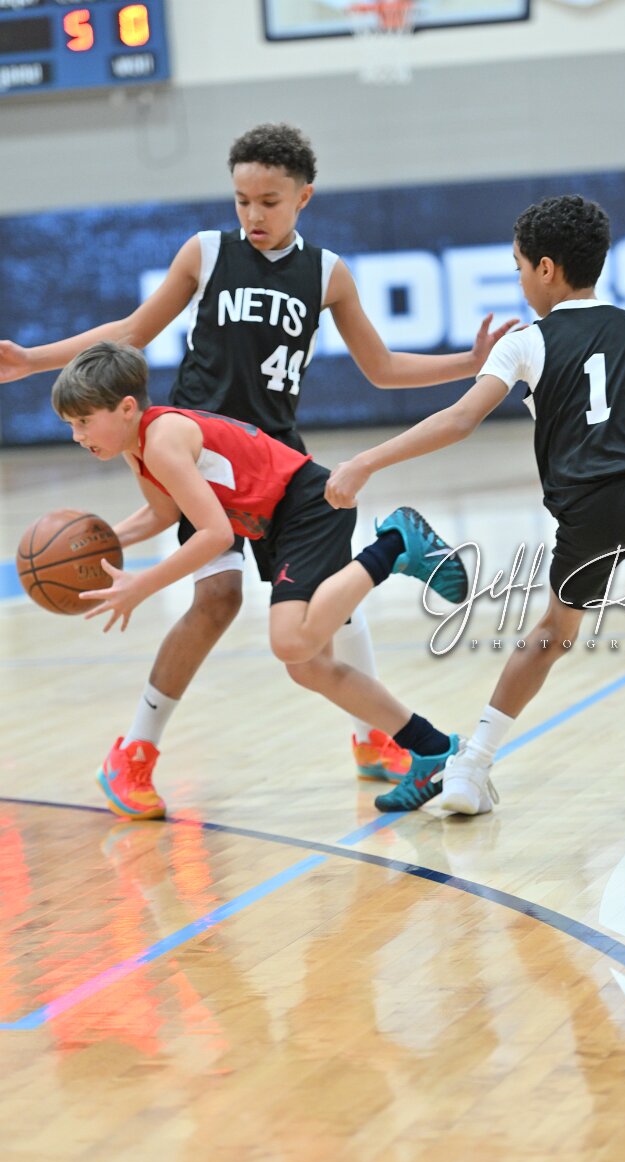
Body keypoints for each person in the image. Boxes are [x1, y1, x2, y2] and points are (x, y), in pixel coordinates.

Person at [0, 121, 515, 803]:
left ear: (304, 197)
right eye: (242, 200)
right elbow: (129, 333)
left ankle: (375, 735)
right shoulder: (207, 253)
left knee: (325, 608)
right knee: (218, 598)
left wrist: (468, 363)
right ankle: (135, 752)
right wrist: (32, 360)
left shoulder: (326, 272)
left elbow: (382, 367)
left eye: (269, 201)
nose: (254, 215)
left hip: (274, 456)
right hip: (200, 452)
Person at [323, 194, 625, 826]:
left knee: (550, 636)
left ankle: (471, 767)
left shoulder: (524, 343)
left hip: (585, 518)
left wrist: (366, 461)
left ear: (545, 269)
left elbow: (460, 419)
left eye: (520, 267)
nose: (520, 280)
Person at [52, 341, 465, 819]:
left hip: (307, 508)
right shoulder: (139, 447)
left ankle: (394, 546)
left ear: (126, 408)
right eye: (71, 425)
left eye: (84, 421)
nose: (77, 435)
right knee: (307, 665)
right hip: (282, 519)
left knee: (290, 642)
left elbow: (214, 534)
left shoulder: (162, 440)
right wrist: (102, 541)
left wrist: (141, 585)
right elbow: (164, 513)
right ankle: (432, 748)